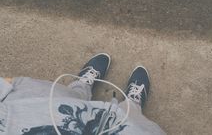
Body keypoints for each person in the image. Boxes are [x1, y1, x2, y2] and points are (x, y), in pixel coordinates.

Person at [0, 53, 166, 134]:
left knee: (67, 98)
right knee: (130, 120)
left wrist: (7, 86)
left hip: (16, 116)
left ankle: (81, 87)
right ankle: (132, 104)